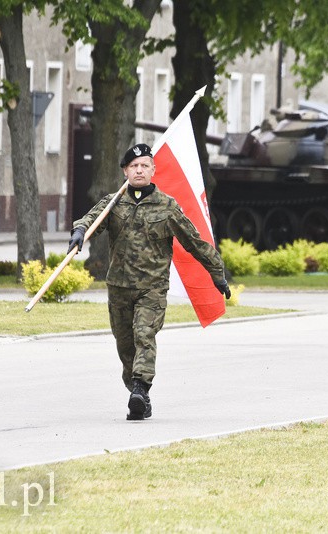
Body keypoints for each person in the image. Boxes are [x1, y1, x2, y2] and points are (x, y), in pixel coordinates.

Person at [68, 143, 231, 421]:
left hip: (152, 289)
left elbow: (195, 242)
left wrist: (217, 272)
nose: (139, 170)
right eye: (134, 166)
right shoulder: (114, 202)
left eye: (144, 165)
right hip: (119, 288)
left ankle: (141, 389)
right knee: (125, 345)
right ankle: (137, 393)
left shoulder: (167, 207)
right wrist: (80, 231)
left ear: (154, 170)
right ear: (125, 171)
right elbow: (91, 219)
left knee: (144, 335)